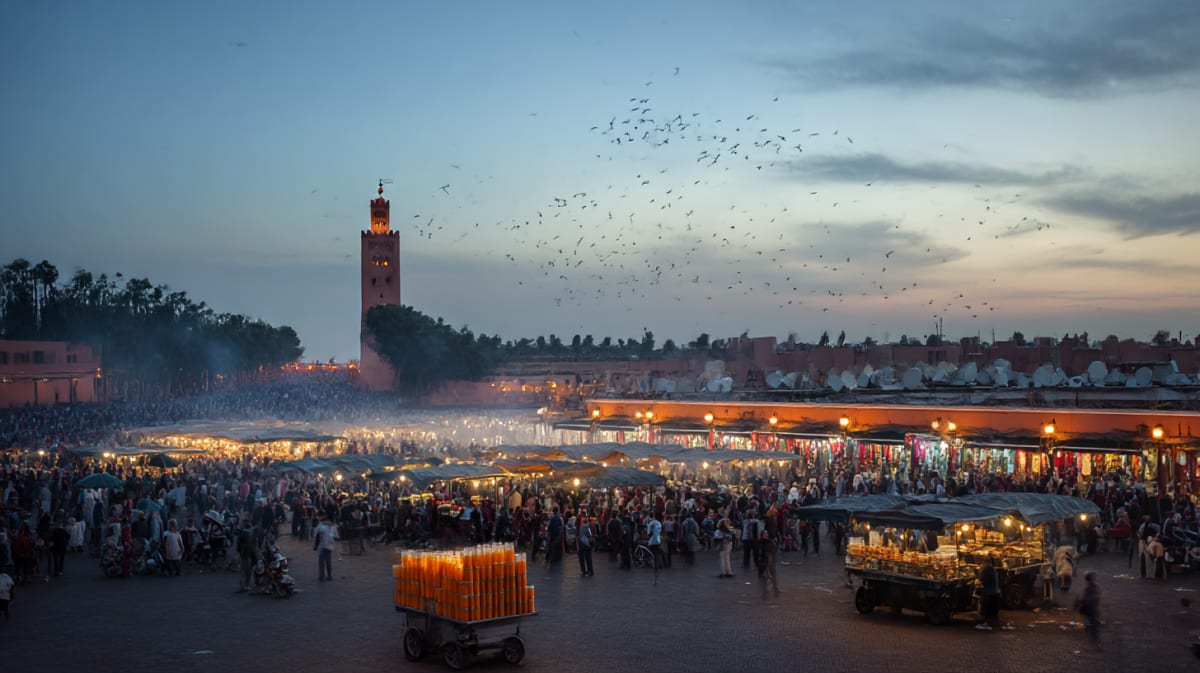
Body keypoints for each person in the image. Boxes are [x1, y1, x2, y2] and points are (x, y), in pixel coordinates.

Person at [976, 556, 1002, 630]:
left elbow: (983, 580)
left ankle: (986, 623)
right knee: (993, 610)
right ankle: (992, 623)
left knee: (986, 609)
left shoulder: (985, 569)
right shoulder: (992, 569)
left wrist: (979, 584)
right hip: (995, 592)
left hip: (988, 592)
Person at [1076, 571, 1101, 645]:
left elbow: (1085, 597)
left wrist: (1081, 602)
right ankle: (1092, 629)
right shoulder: (1095, 586)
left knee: (1089, 617)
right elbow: (1097, 596)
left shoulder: (1088, 587)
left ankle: (1091, 630)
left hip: (1089, 606)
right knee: (1092, 617)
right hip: (1093, 606)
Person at [314, 516, 336, 581]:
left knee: (321, 561)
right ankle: (329, 576)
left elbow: (317, 537)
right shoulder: (331, 526)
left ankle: (321, 576)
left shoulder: (320, 527)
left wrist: (315, 546)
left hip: (322, 546)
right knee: (328, 561)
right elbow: (334, 536)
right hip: (329, 546)